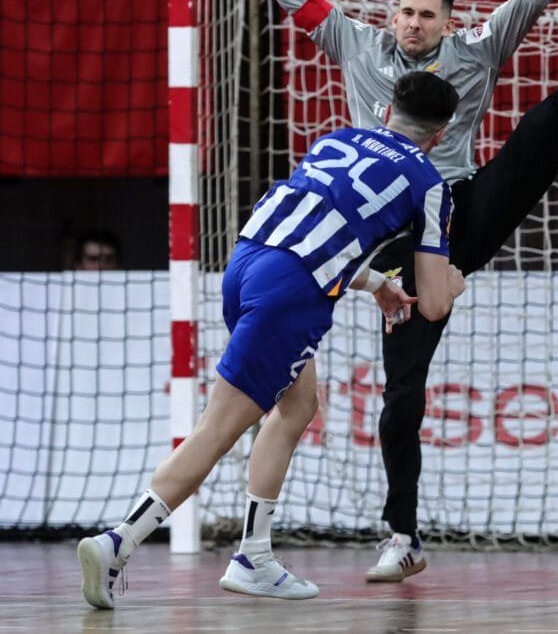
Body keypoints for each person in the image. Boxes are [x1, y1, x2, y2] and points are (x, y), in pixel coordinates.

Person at [217, 0, 558, 582]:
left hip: (462, 205)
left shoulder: (478, 52)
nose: (414, 23)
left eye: (427, 15)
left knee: (549, 131)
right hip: (390, 232)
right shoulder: (357, 47)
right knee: (404, 387)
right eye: (406, 12)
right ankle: (404, 534)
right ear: (392, 16)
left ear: (448, 22)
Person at [77, 72, 466, 609]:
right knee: (216, 430)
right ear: (442, 135)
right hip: (293, 293)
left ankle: (254, 555)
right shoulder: (429, 184)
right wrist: (453, 279)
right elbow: (434, 303)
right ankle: (118, 541)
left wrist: (375, 283)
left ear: (386, 110)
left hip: (246, 264)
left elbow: (318, 230)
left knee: (299, 402)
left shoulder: (336, 139)